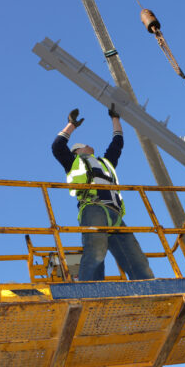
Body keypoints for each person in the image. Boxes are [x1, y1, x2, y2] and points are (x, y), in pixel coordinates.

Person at [51, 105, 154, 281]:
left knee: (136, 257)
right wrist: (71, 125)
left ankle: (151, 289)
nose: (89, 145)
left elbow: (117, 144)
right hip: (93, 208)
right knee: (96, 251)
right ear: (77, 151)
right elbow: (57, 147)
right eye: (83, 145)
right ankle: (90, 292)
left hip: (115, 214)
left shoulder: (106, 163)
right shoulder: (73, 162)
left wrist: (115, 119)